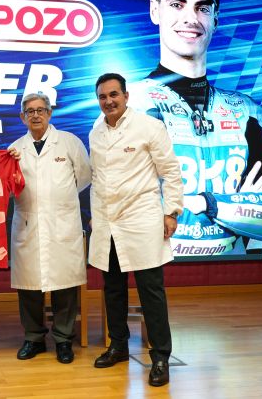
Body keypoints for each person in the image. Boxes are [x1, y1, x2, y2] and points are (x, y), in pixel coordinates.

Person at [129, 0, 262, 255]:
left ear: (215, 18)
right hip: (153, 273)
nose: (190, 18)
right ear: (155, 10)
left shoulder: (245, 111)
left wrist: (210, 203)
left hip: (229, 276)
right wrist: (246, 205)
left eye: (202, 8)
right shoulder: (129, 105)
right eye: (177, 4)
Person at [89, 73, 184, 387]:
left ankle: (160, 357)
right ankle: (118, 345)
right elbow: (97, 178)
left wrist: (171, 211)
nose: (109, 101)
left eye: (114, 94)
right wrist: (96, 217)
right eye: (103, 97)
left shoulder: (149, 126)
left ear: (126, 96)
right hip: (108, 222)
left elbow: (170, 171)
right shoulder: (96, 131)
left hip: (141, 219)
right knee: (113, 288)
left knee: (151, 291)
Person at [9, 93, 91, 364]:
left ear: (49, 113)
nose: (35, 115)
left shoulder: (69, 142)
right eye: (30, 111)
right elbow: (9, 187)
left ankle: (63, 339)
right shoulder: (15, 149)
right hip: (28, 225)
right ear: (22, 117)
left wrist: (58, 200)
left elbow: (84, 177)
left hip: (62, 224)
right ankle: (33, 338)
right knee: (29, 286)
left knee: (64, 285)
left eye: (41, 110)